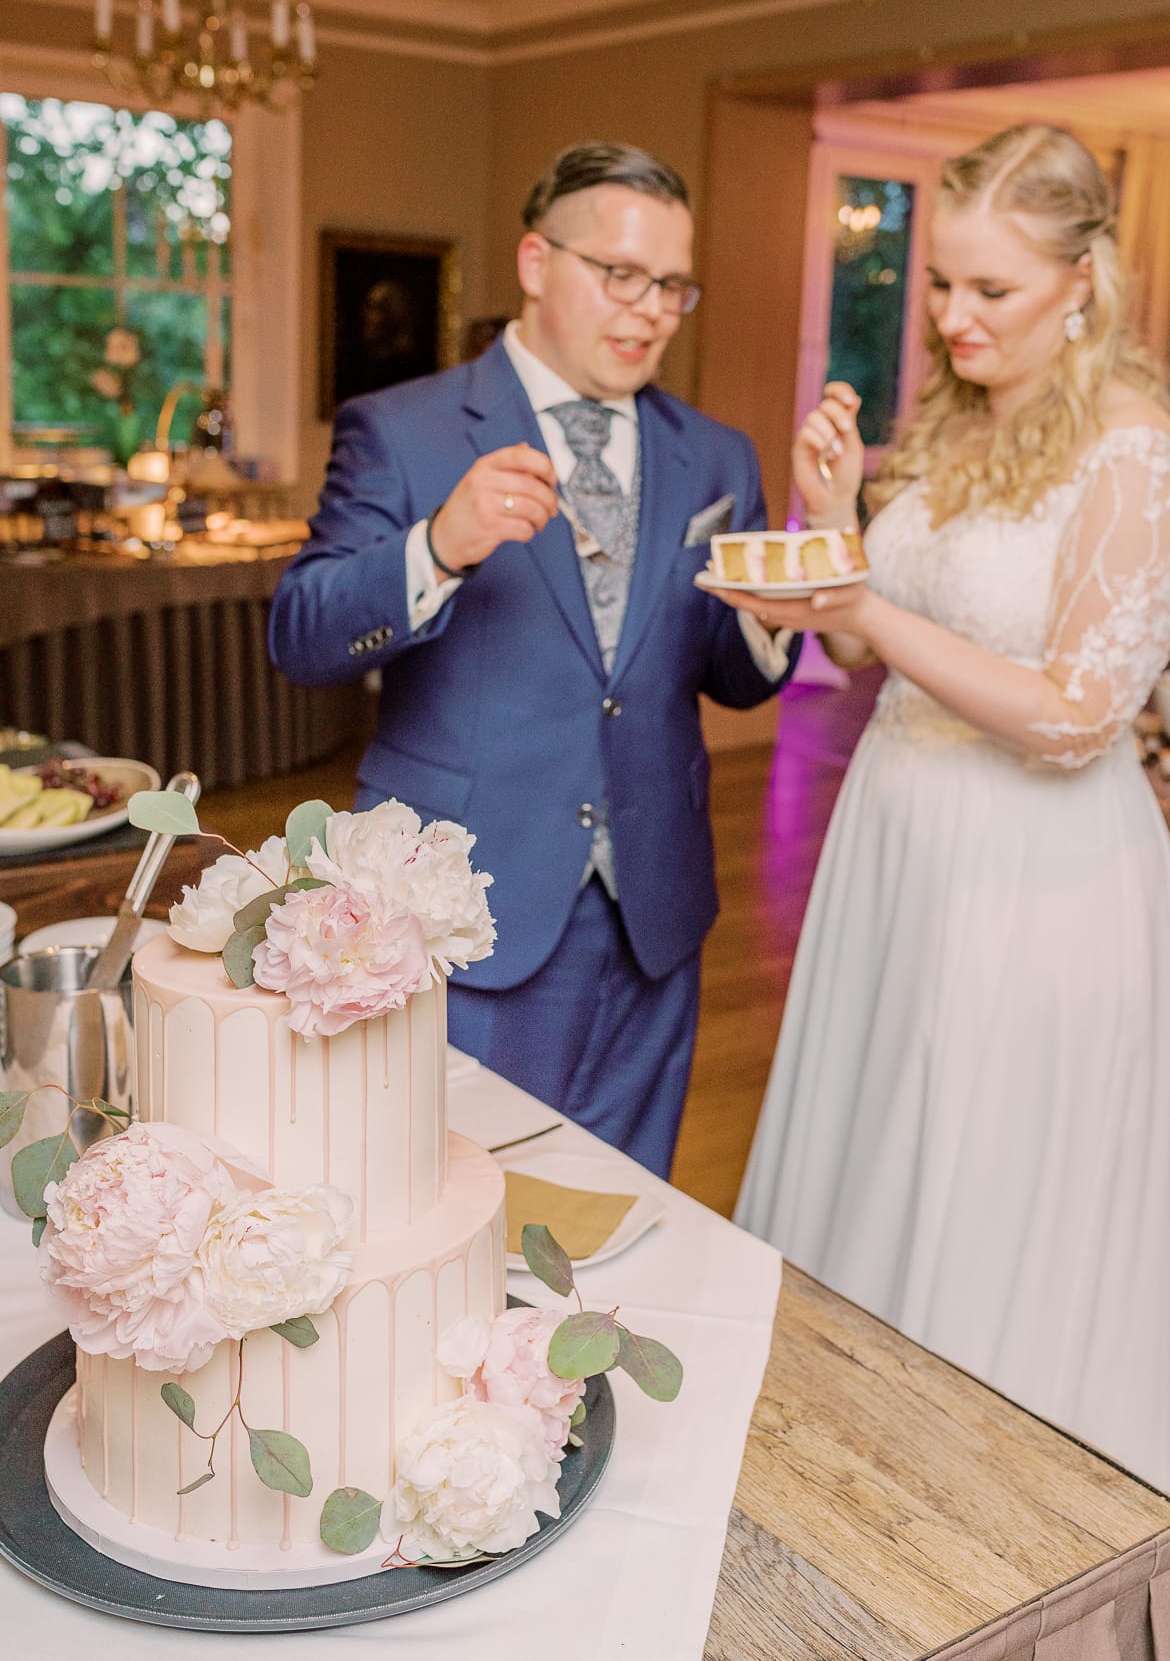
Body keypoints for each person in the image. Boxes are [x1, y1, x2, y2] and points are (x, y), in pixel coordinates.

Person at [705, 123, 1170, 1488]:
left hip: (1029, 869)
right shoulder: (967, 426)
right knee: (881, 1125)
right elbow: (866, 648)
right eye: (941, 288)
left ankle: (961, 1482)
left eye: (991, 291)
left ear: (1081, 281)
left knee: (979, 1163)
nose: (954, 319)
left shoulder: (1132, 452)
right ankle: (838, 1443)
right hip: (894, 839)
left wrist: (857, 605)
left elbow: (1079, 712)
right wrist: (834, 517)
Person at [269, 141, 801, 1178]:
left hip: (655, 907)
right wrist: (437, 547)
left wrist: (774, 621)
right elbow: (302, 634)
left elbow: (728, 677)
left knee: (624, 1205)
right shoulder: (403, 428)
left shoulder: (718, 454)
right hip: (469, 903)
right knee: (448, 1201)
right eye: (620, 275)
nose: (649, 309)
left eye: (673, 286)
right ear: (534, 261)